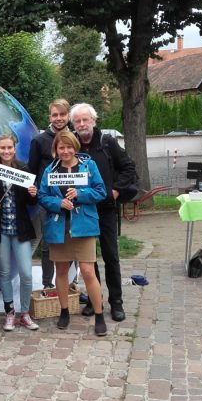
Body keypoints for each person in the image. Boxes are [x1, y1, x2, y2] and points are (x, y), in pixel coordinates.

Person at [71, 103, 138, 322]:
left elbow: (129, 167)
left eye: (85, 120)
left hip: (107, 209)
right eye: (78, 121)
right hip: (84, 210)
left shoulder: (107, 142)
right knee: (88, 259)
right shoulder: (72, 144)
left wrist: (116, 191)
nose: (82, 124)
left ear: (93, 120)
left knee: (111, 256)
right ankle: (93, 299)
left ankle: (116, 302)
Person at [38, 131, 108, 336]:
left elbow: (100, 191)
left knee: (87, 271)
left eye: (69, 147)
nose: (66, 151)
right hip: (60, 227)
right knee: (60, 271)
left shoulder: (89, 166)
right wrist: (58, 203)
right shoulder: (51, 170)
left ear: (75, 147)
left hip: (83, 226)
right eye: (61, 147)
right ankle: (64, 310)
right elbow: (42, 196)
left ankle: (99, 314)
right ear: (56, 150)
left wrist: (81, 193)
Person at [0, 133, 41, 331]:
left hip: (20, 229)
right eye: (3, 148)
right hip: (0, 229)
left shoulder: (23, 169)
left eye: (9, 147)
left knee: (26, 273)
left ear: (14, 149)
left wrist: (33, 194)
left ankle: (24, 313)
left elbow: (31, 202)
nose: (6, 151)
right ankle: (10, 312)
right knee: (5, 272)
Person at [29, 99, 73, 289]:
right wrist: (36, 192)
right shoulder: (39, 141)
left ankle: (71, 282)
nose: (59, 118)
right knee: (48, 243)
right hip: (47, 201)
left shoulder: (75, 137)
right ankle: (48, 285)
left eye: (62, 115)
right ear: (50, 117)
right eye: (55, 115)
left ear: (68, 116)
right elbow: (31, 170)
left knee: (73, 241)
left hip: (73, 199)